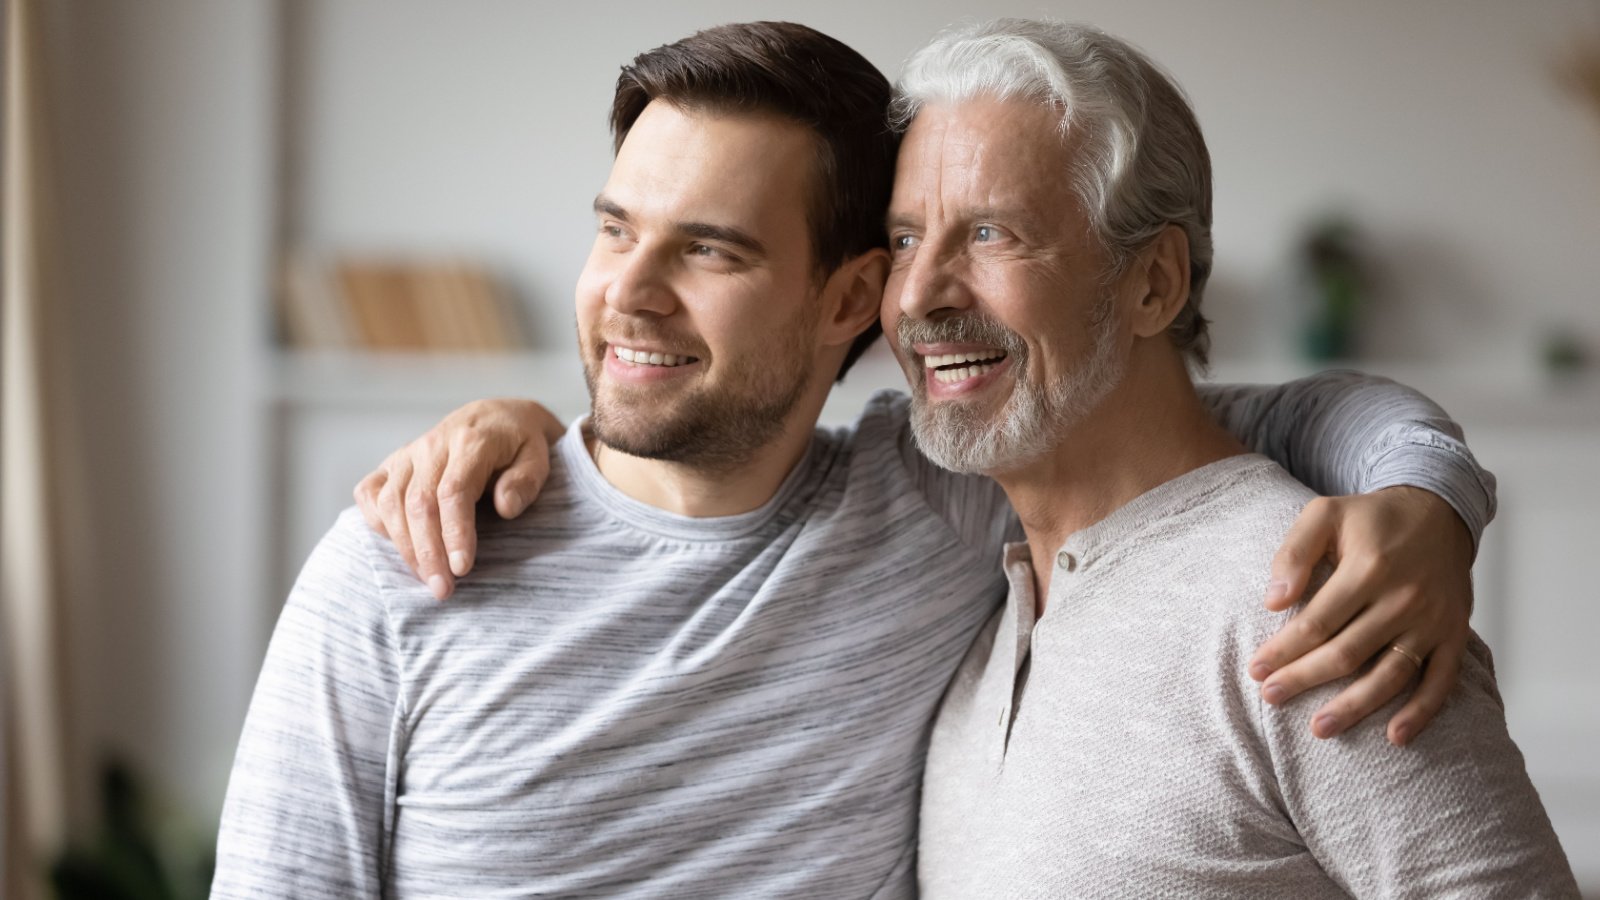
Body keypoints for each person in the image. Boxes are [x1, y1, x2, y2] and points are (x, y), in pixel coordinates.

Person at [217, 20, 1494, 900]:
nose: (629, 297)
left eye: (710, 251)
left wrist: (1425, 497)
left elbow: (1248, 420)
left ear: (848, 302)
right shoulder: (405, 563)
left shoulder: (937, 498)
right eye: (615, 230)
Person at [866, 19, 1574, 896]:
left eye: (991, 235)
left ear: (1154, 283)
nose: (920, 295)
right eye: (903, 240)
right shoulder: (990, 603)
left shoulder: (1314, 603)